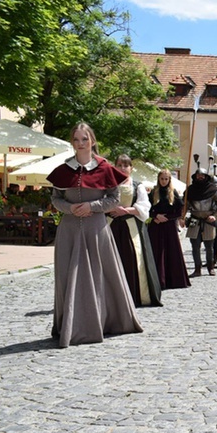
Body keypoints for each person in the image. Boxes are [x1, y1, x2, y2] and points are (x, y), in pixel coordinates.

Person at [46, 122, 142, 347]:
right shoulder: (63, 170)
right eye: (76, 139)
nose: (80, 144)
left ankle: (104, 321)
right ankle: (67, 325)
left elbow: (114, 199)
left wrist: (92, 206)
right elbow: (55, 199)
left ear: (93, 141)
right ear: (72, 142)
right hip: (69, 230)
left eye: (84, 139)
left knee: (100, 276)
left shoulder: (105, 168)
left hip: (95, 229)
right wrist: (69, 208)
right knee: (66, 278)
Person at [106, 154, 162, 307]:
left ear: (131, 168)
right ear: (114, 167)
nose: (123, 168)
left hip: (131, 228)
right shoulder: (108, 184)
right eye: (119, 165)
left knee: (132, 258)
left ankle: (134, 295)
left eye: (126, 165)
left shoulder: (138, 186)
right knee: (109, 260)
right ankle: (110, 298)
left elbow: (144, 207)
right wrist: (112, 208)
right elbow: (100, 202)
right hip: (109, 227)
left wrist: (125, 211)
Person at [148, 169, 191, 289]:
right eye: (162, 179)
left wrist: (167, 217)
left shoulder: (173, 192)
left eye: (166, 179)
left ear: (169, 180)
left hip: (169, 226)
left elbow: (179, 210)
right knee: (156, 251)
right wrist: (155, 216)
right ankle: (157, 279)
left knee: (171, 251)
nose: (164, 181)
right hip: (155, 225)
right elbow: (147, 208)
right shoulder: (153, 192)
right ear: (158, 179)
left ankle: (172, 280)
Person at [185, 168, 217, 276]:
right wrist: (181, 218)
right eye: (198, 175)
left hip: (208, 221)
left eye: (202, 175)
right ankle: (197, 269)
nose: (200, 177)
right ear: (195, 176)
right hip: (194, 219)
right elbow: (184, 206)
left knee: (209, 246)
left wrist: (215, 216)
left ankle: (210, 267)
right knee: (195, 246)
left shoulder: (213, 190)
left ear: (206, 177)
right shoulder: (190, 190)